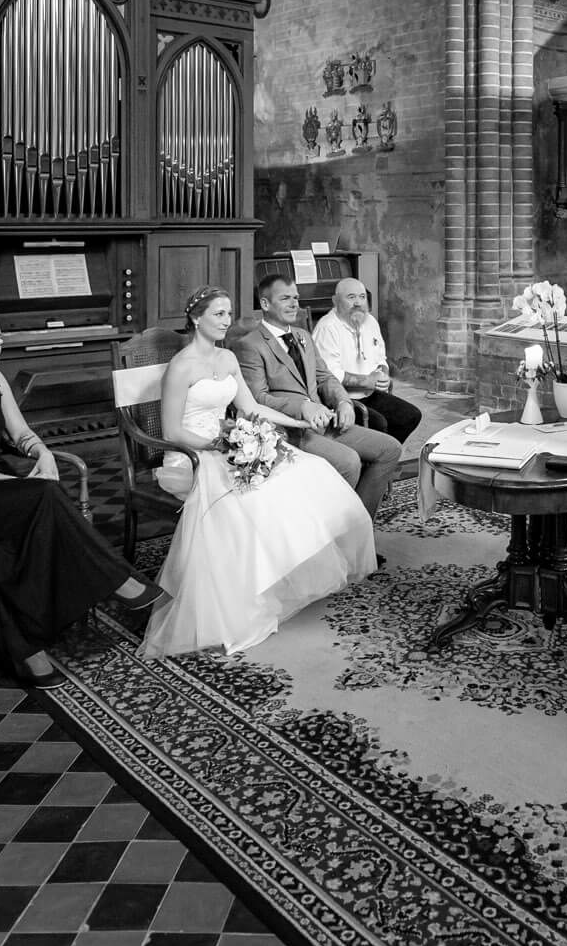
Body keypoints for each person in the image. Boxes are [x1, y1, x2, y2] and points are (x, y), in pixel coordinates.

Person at [0, 309, 165, 688]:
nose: (0, 340)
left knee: (5, 550)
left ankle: (26, 647)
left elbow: (20, 432)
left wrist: (42, 453)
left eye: (0, 333)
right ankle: (121, 583)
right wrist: (18, 486)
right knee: (44, 495)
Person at [140, 286, 375, 659]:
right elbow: (171, 432)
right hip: (193, 455)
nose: (225, 321)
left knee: (308, 472)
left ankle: (278, 581)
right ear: (196, 318)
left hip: (234, 445)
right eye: (217, 314)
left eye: (228, 313)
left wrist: (296, 422)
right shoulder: (181, 366)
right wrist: (218, 444)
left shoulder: (229, 359)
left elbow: (251, 409)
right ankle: (242, 598)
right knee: (251, 499)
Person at [230, 275, 402, 523]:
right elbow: (257, 399)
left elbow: (325, 378)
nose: (294, 304)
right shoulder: (250, 345)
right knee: (349, 462)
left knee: (389, 449)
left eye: (296, 298)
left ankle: (359, 530)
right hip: (289, 431)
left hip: (324, 423)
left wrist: (343, 401)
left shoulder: (303, 336)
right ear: (265, 304)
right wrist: (302, 407)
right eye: (285, 298)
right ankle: (327, 535)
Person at [311, 277, 422, 444]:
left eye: (362, 297)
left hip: (370, 393)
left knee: (410, 416)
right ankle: (373, 459)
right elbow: (328, 375)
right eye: (351, 297)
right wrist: (367, 381)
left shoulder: (369, 321)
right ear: (335, 301)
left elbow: (381, 359)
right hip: (342, 400)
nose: (358, 303)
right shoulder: (327, 327)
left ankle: (384, 459)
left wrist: (382, 375)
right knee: (379, 424)